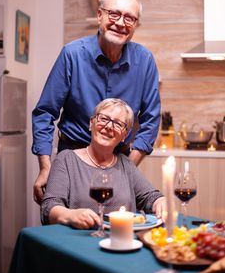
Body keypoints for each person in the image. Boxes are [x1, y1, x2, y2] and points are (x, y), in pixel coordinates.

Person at [32, 0, 161, 204]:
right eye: (114, 14)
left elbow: (151, 119)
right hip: (71, 156)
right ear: (99, 15)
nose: (120, 23)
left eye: (129, 18)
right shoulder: (72, 54)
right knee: (68, 222)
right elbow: (45, 113)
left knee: (116, 226)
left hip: (118, 157)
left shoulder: (145, 60)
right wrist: (45, 167)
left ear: (136, 25)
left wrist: (127, 166)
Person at [41, 98, 165, 228]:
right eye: (104, 119)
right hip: (79, 241)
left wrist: (160, 201)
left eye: (118, 124)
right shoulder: (66, 159)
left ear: (124, 135)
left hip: (122, 242)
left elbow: (151, 197)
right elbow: (48, 207)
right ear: (91, 123)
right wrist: (69, 215)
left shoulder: (126, 164)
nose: (109, 127)